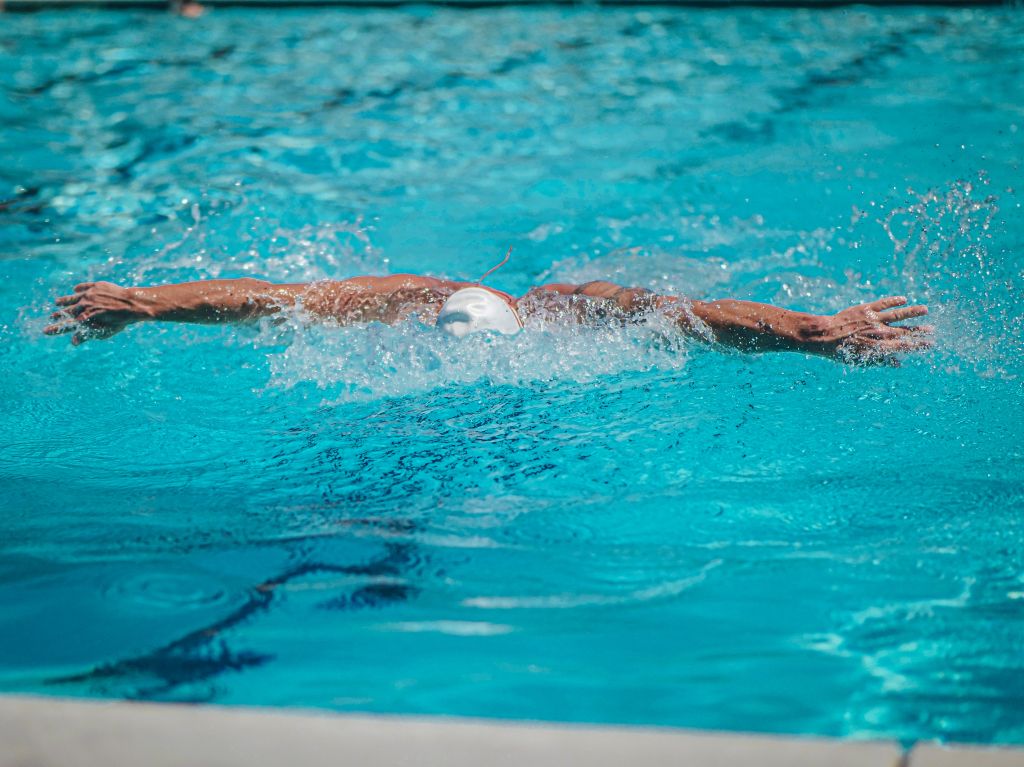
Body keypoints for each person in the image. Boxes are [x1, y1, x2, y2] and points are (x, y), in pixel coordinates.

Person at [44, 272, 931, 362]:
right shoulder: (412, 297)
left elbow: (698, 316)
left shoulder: (577, 311)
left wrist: (809, 330)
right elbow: (273, 298)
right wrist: (148, 305)